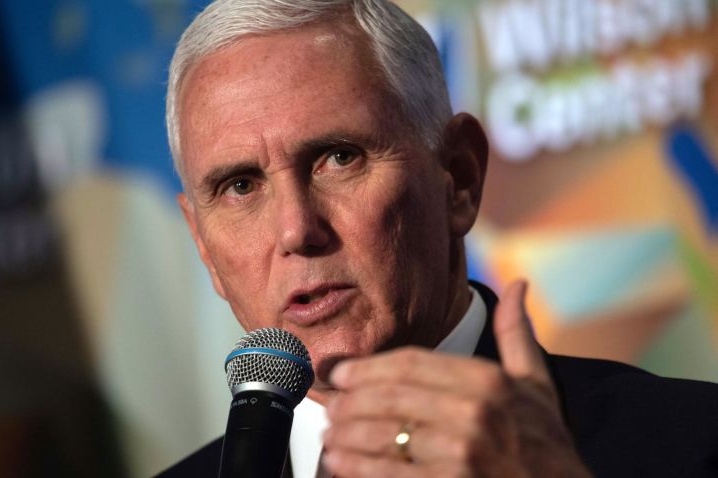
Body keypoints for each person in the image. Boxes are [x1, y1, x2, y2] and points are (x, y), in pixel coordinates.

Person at [157, 0, 718, 476]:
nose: (296, 229)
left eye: (339, 157)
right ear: (203, 245)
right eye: (239, 186)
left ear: (460, 177)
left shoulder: (693, 442)